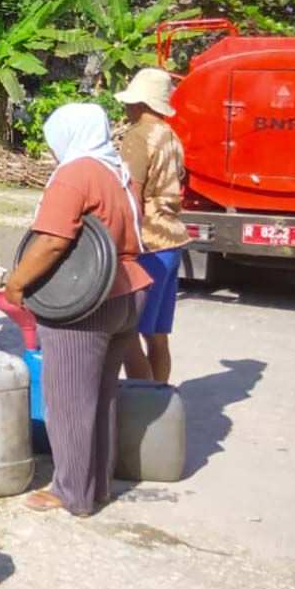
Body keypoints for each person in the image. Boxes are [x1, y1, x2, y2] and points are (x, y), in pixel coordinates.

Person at [4, 104, 151, 517]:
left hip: (88, 301)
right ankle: (98, 484)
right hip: (127, 291)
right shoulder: (116, 173)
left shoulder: (75, 174)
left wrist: (17, 284)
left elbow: (52, 240)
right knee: (101, 396)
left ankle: (72, 492)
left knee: (69, 401)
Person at [115, 69, 187, 383]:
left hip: (148, 243)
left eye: (130, 102)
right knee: (157, 335)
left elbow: (132, 192)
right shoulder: (171, 135)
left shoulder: (138, 136)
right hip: (172, 240)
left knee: (128, 335)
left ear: (141, 103)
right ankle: (161, 397)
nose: (126, 108)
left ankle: (143, 408)